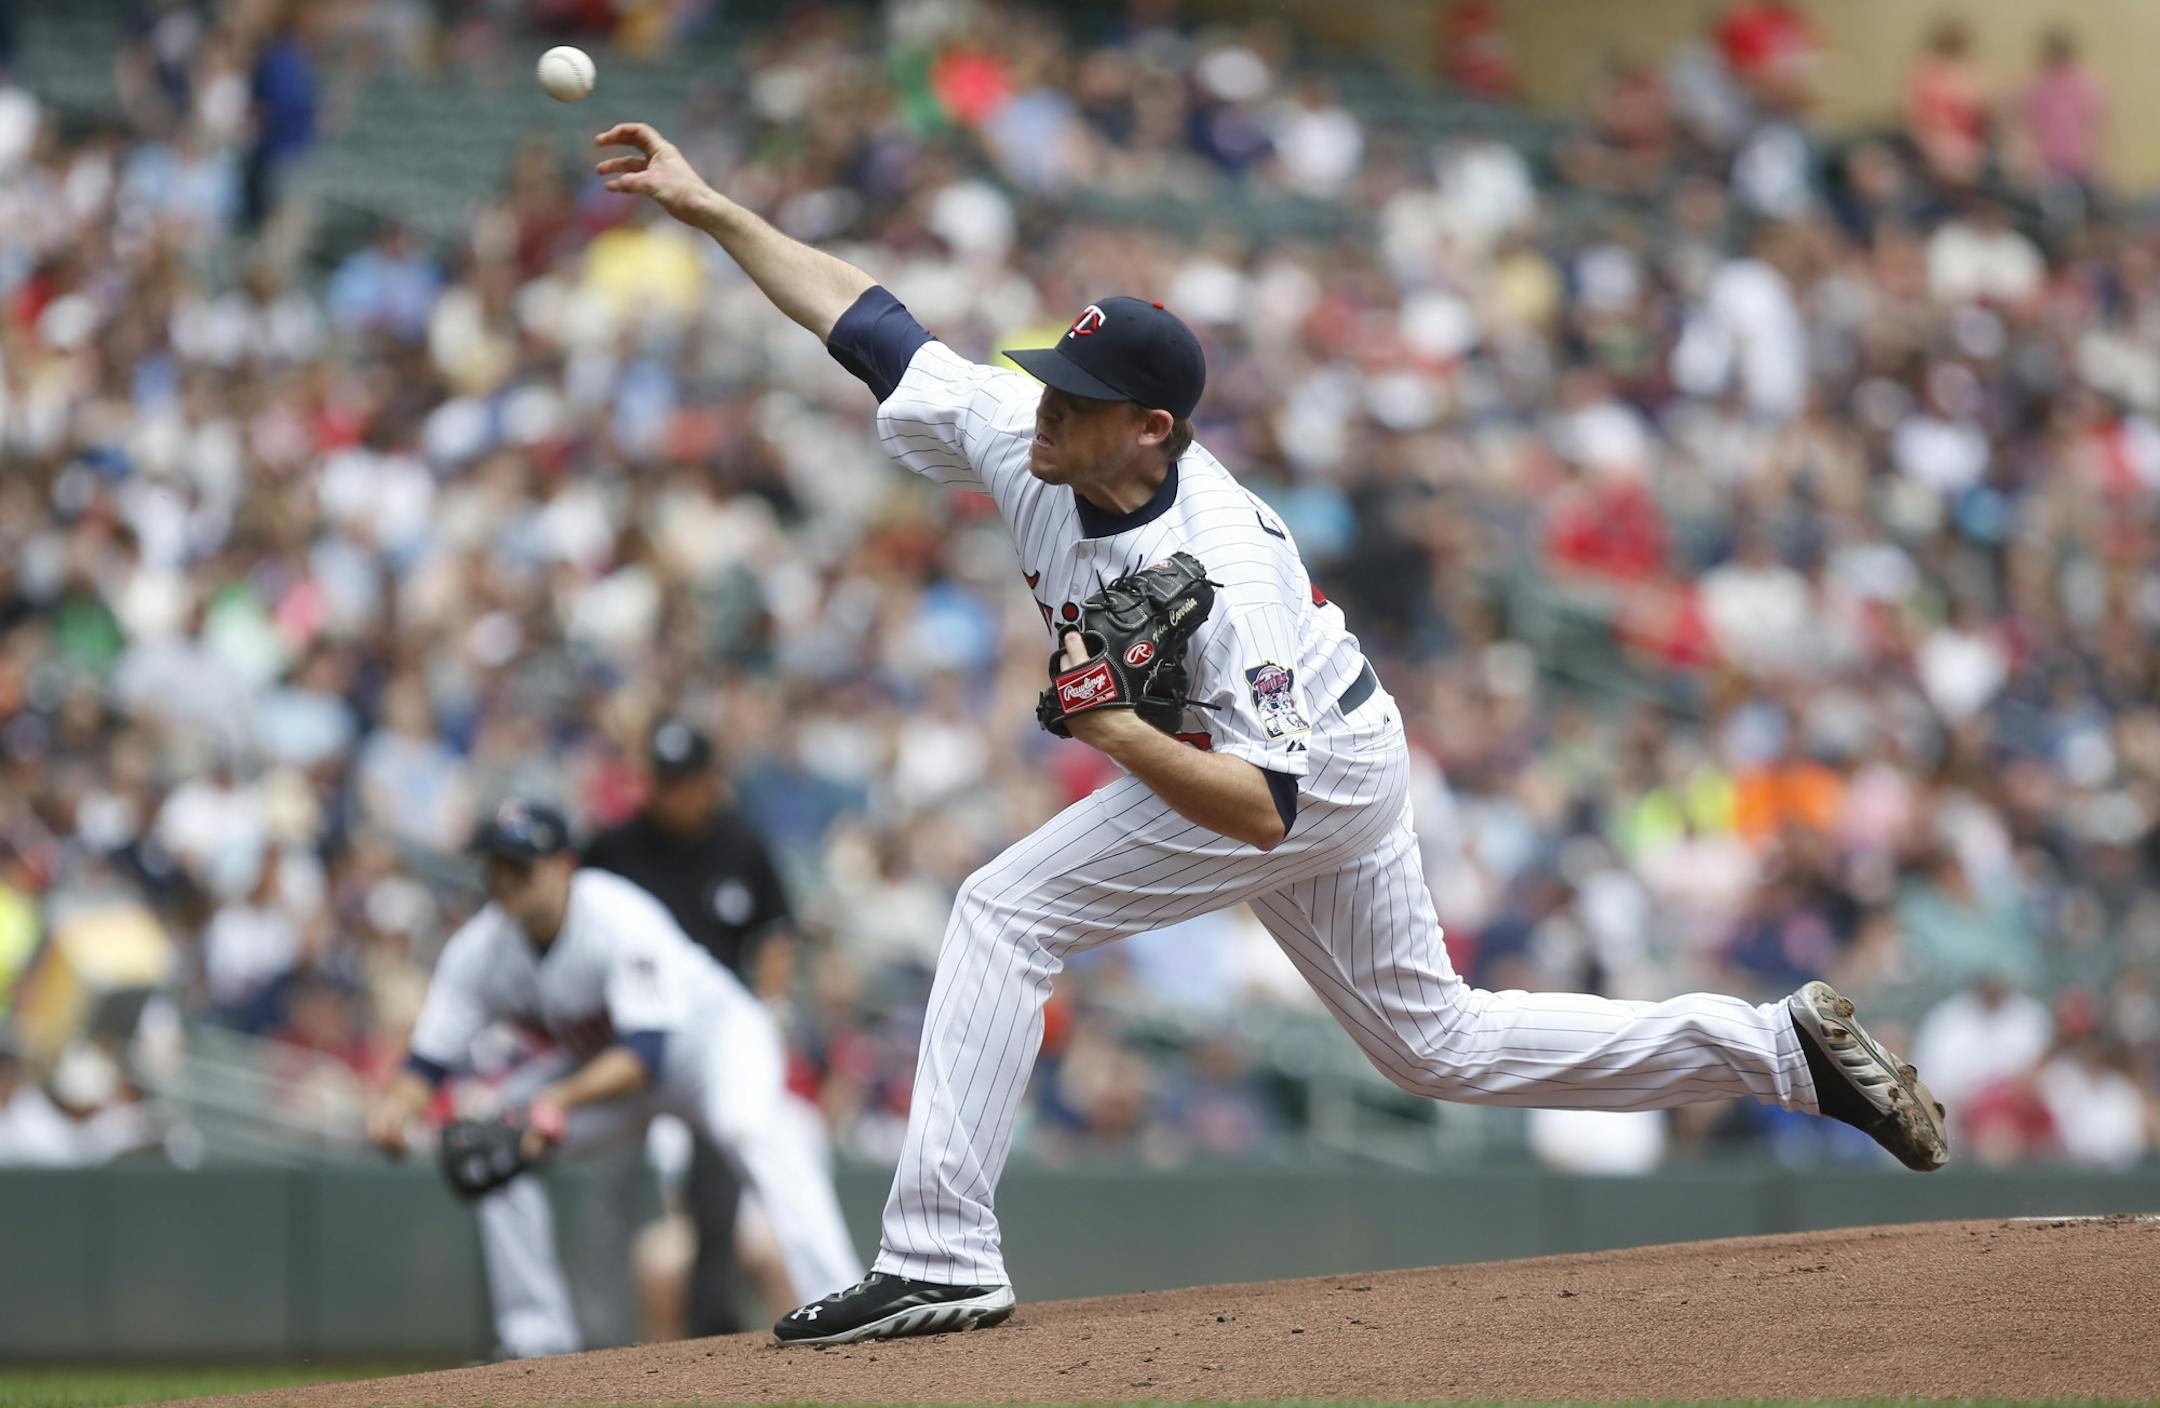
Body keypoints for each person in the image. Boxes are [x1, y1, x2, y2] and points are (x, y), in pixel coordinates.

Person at [591, 119, 1951, 1349]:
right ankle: (1777, 1051)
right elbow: (870, 324)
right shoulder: (1029, 435)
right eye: (1049, 380)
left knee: (1002, 913)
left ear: (1153, 428)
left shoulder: (1223, 569)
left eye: (1074, 393)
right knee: (1437, 1048)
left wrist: (1113, 730)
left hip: (1305, 768)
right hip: (1293, 747)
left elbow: (1261, 814)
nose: (1040, 402)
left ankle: (938, 1256)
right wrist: (712, 210)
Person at [363, 799, 860, 1358]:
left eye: (519, 866)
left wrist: (554, 1099)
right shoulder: (480, 950)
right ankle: (536, 1336)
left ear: (562, 866)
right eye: (495, 867)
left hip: (709, 1045)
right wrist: (397, 1109)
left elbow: (643, 1055)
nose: (505, 881)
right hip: (607, 1074)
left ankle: (839, 1295)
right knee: (492, 1142)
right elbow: (428, 1062)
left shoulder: (616, 916)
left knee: (752, 1129)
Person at [583, 717, 796, 1335]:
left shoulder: (740, 843)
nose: (673, 793)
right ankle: (593, 1345)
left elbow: (775, 935)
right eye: (664, 780)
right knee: (608, 1188)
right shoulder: (613, 846)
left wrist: (769, 1011)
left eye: (685, 780)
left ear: (709, 781)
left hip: (709, 1045)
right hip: (628, 1041)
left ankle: (715, 1333)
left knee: (716, 1195)